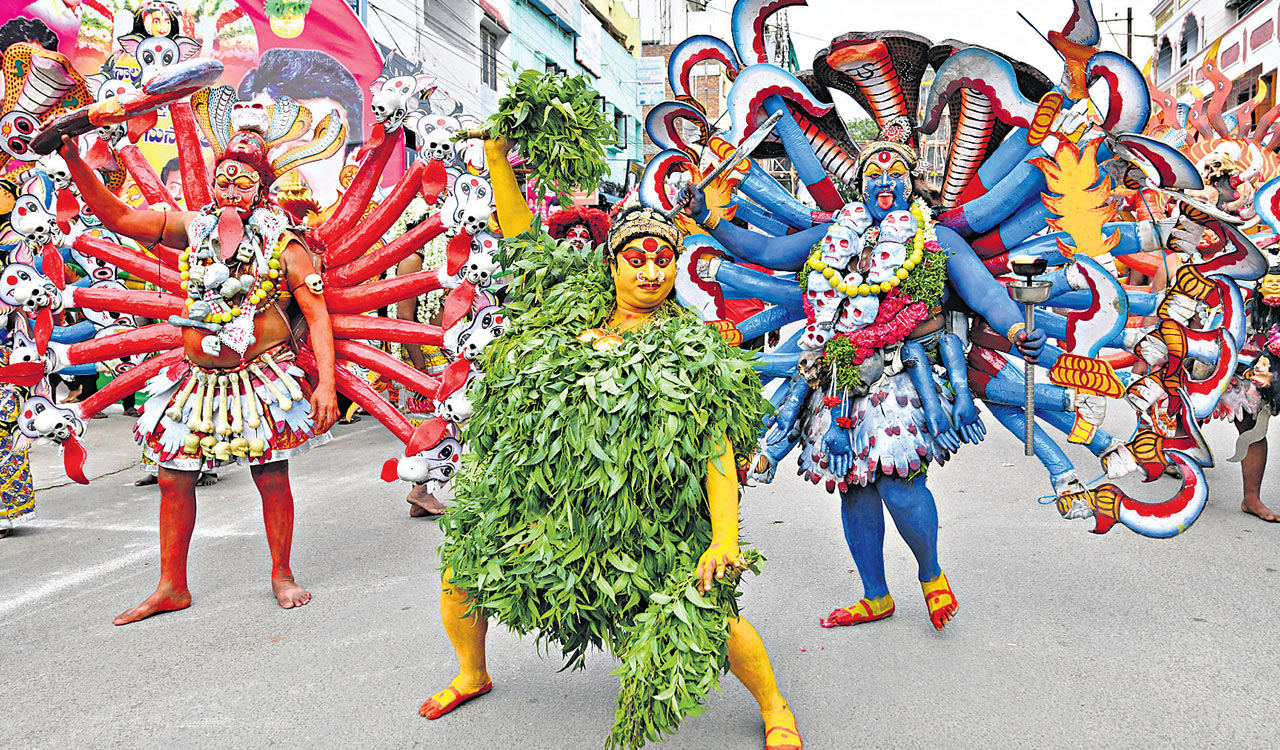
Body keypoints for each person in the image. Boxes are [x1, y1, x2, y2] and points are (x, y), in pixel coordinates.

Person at [417, 134, 802, 750]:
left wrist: (724, 538)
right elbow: (522, 243)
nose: (651, 272)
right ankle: (472, 670)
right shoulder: (567, 313)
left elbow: (716, 449)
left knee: (711, 610)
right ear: (612, 264)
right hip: (553, 512)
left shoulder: (695, 349)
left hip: (648, 520)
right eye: (637, 259)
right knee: (463, 570)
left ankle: (775, 704)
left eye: (663, 260)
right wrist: (494, 155)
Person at [684, 116, 1045, 630]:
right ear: (860, 183)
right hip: (834, 377)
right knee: (853, 485)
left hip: (900, 374)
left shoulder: (933, 236)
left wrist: (1014, 332)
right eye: (874, 172)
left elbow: (985, 292)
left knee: (900, 482)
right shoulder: (834, 233)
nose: (885, 181)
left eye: (896, 171)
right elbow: (763, 253)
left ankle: (931, 573)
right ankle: (876, 595)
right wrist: (710, 219)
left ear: (912, 181)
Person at [57, 97, 341, 625]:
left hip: (263, 377)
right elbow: (116, 216)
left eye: (243, 183)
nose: (231, 190)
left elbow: (317, 316)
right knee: (173, 477)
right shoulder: (193, 227)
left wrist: (325, 385)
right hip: (197, 378)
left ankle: (282, 573)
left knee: (271, 475)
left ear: (262, 188)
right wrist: (74, 159)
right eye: (224, 181)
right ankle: (171, 585)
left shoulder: (285, 243)